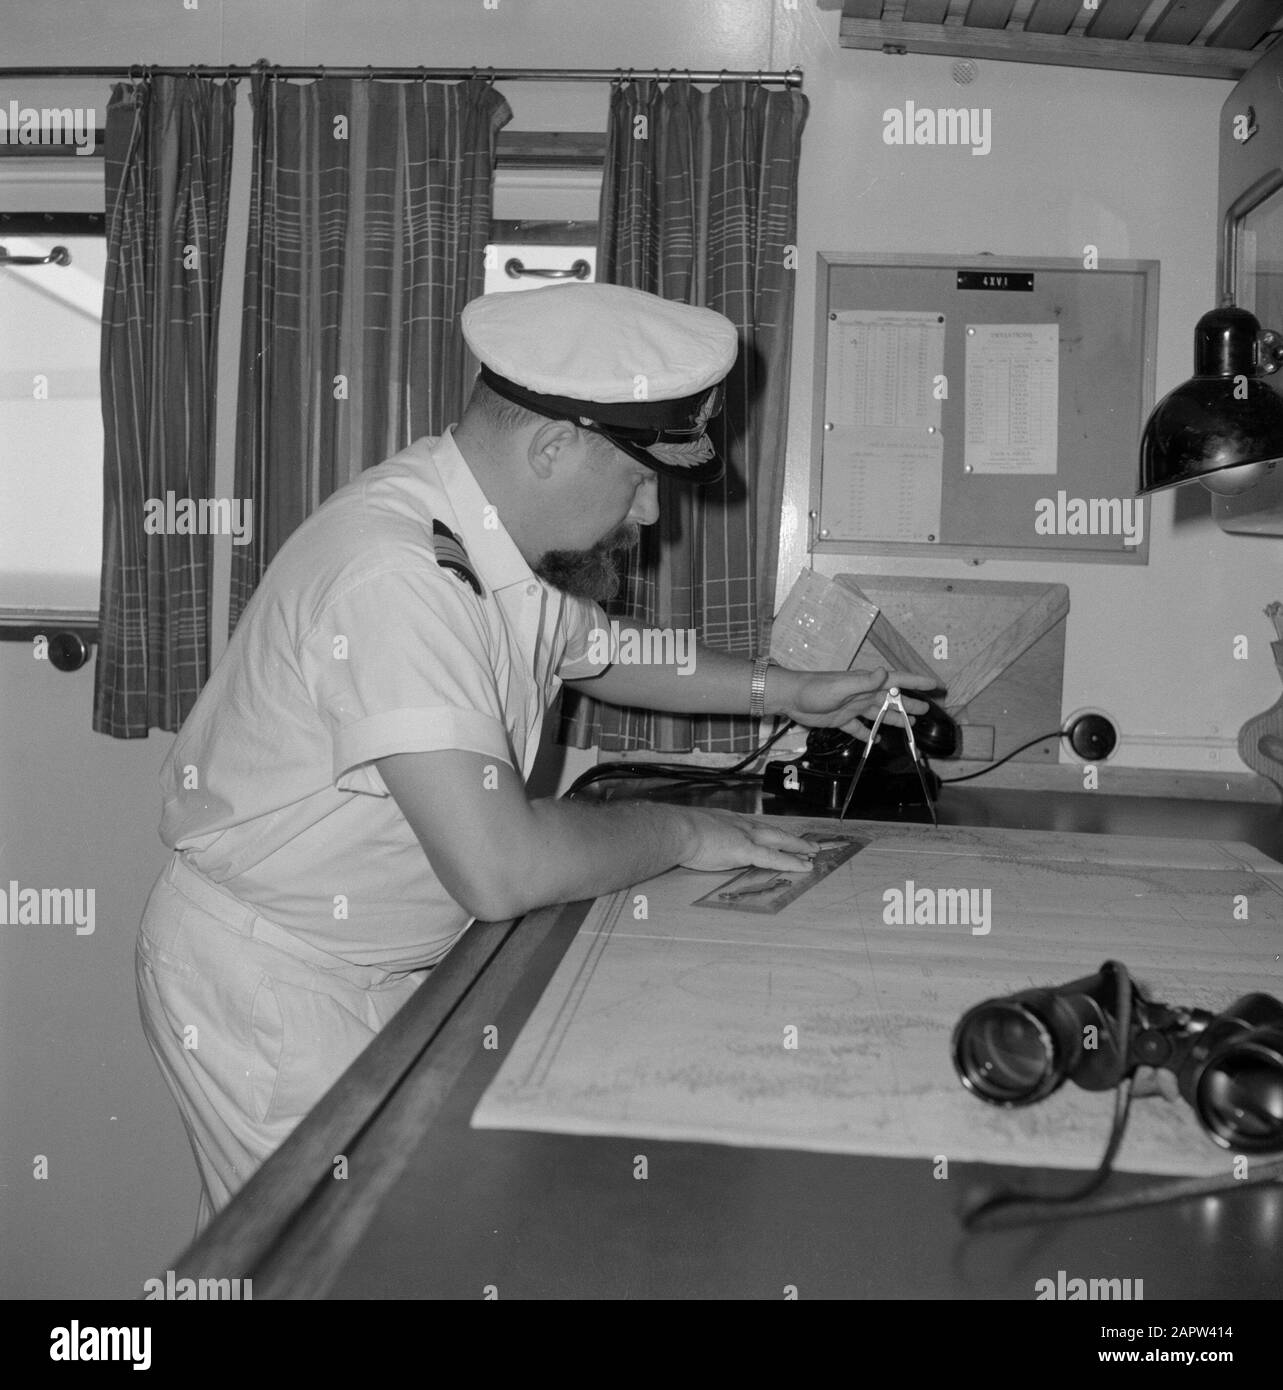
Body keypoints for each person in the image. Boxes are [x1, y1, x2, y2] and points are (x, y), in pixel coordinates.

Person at [135, 282, 931, 1226]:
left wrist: (787, 689)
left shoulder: (500, 532)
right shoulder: (396, 577)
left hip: (373, 961)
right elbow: (499, 867)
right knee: (330, 1264)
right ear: (552, 448)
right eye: (640, 479)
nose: (650, 514)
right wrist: (678, 830)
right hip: (275, 979)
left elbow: (609, 653)